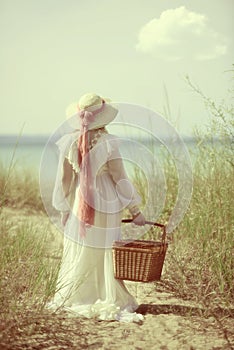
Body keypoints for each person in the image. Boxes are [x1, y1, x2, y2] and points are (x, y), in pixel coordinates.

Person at [49, 93, 145, 322]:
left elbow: (65, 179)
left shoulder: (68, 142)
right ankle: (105, 293)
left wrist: (63, 208)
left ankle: (78, 294)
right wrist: (135, 210)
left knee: (82, 246)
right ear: (103, 119)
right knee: (105, 248)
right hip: (107, 201)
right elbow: (119, 177)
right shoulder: (109, 142)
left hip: (81, 201)